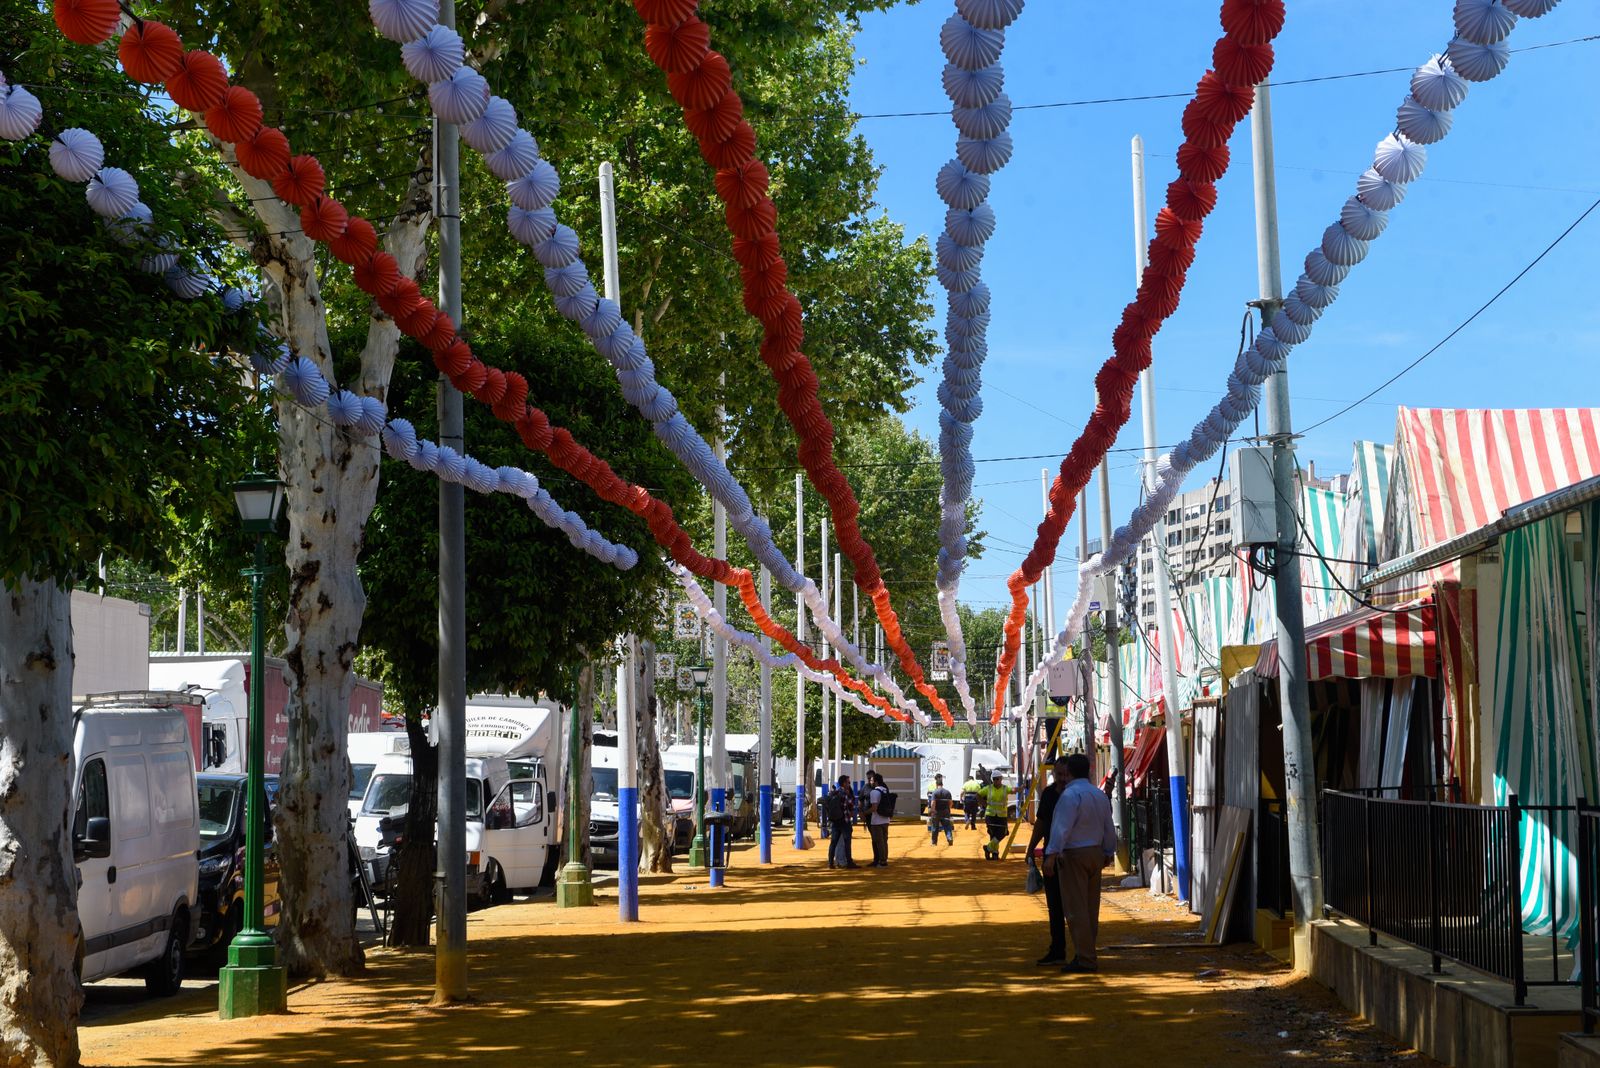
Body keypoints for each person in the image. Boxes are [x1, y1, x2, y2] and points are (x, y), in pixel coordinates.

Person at [1043, 752, 1119, 974]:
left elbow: (1061, 828)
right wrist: (1108, 850)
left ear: (1069, 773)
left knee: (1076, 909)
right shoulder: (1098, 794)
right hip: (1096, 853)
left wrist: (1051, 854)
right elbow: (1108, 826)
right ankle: (1087, 952)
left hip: (1074, 855)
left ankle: (1085, 958)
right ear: (1089, 770)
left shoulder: (1069, 795)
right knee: (1090, 908)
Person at [1026, 757, 1072, 965]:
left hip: (1073, 857)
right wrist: (1030, 848)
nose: (1061, 779)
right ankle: (1057, 949)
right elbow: (1042, 822)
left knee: (1076, 907)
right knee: (1054, 906)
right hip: (1051, 857)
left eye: (1065, 774)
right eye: (1058, 774)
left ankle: (1083, 951)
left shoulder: (1076, 795)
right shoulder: (1049, 795)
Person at [825, 773, 858, 869]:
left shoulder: (834, 793)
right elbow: (851, 806)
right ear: (844, 783)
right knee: (847, 842)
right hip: (845, 821)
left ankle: (830, 863)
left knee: (833, 843)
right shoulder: (845, 794)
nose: (849, 784)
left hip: (835, 821)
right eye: (848, 782)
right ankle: (849, 862)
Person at [978, 769, 1010, 860]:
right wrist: (983, 804)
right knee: (993, 834)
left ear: (1001, 779)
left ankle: (987, 848)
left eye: (997, 779)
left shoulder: (1005, 788)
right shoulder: (989, 788)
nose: (996, 781)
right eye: (994, 779)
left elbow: (1013, 790)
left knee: (1003, 833)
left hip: (1002, 816)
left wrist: (1021, 788)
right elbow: (978, 795)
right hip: (991, 815)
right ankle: (995, 853)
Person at [866, 771, 892, 867]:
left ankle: (882, 861)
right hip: (886, 819)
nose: (871, 782)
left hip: (876, 821)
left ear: (876, 781)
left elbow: (874, 808)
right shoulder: (885, 790)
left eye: (872, 780)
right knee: (884, 841)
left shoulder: (874, 792)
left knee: (879, 842)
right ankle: (885, 859)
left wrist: (865, 813)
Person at [927, 774, 955, 845]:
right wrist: (948, 808)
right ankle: (949, 838)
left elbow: (933, 802)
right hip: (946, 811)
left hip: (936, 812)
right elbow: (951, 803)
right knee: (947, 826)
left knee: (935, 827)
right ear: (942, 784)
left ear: (936, 784)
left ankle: (934, 843)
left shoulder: (935, 792)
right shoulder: (947, 792)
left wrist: (932, 810)